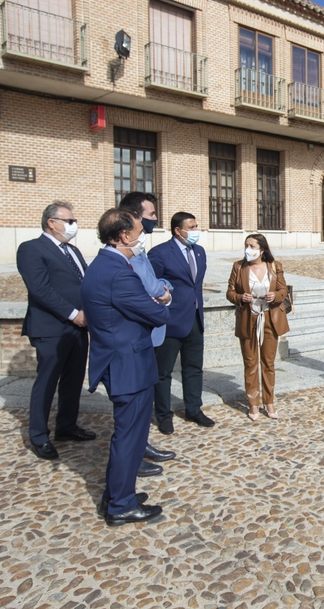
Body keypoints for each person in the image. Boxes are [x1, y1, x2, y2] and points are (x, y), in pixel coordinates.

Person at [83, 208, 170, 526]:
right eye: (138, 231)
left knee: (128, 435)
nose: (142, 236)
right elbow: (157, 314)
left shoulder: (102, 264)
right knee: (129, 437)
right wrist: (161, 302)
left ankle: (117, 494)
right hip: (128, 365)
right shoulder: (119, 272)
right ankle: (121, 504)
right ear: (123, 236)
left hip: (118, 359)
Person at [16, 201, 96, 461]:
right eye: (69, 221)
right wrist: (74, 314)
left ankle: (67, 426)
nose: (74, 226)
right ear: (52, 222)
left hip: (78, 328)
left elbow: (83, 284)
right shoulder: (31, 249)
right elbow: (40, 290)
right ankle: (39, 436)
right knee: (47, 382)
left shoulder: (71, 250)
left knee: (73, 380)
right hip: (52, 328)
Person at [118, 191, 176, 473]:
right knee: (134, 402)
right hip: (135, 337)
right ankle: (131, 458)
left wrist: (164, 289)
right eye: (151, 215)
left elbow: (152, 282)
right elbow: (141, 290)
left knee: (144, 399)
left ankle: (142, 445)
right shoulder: (123, 256)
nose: (155, 220)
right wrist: (161, 294)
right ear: (135, 217)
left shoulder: (139, 251)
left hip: (149, 335)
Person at [148, 212, 211, 431]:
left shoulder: (200, 252)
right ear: (178, 230)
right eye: (191, 227)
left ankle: (194, 409)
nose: (196, 231)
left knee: (193, 368)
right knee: (163, 371)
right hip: (170, 321)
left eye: (196, 226)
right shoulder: (160, 253)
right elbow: (151, 286)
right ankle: (164, 414)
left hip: (195, 318)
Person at [226, 234, 289, 421]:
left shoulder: (274, 266)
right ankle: (253, 403)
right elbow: (229, 292)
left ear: (262, 250)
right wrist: (240, 298)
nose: (248, 249)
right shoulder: (239, 267)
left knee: (268, 363)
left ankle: (269, 401)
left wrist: (275, 296)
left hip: (270, 319)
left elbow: (283, 290)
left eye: (252, 246)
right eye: (246, 245)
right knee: (250, 363)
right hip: (248, 319)